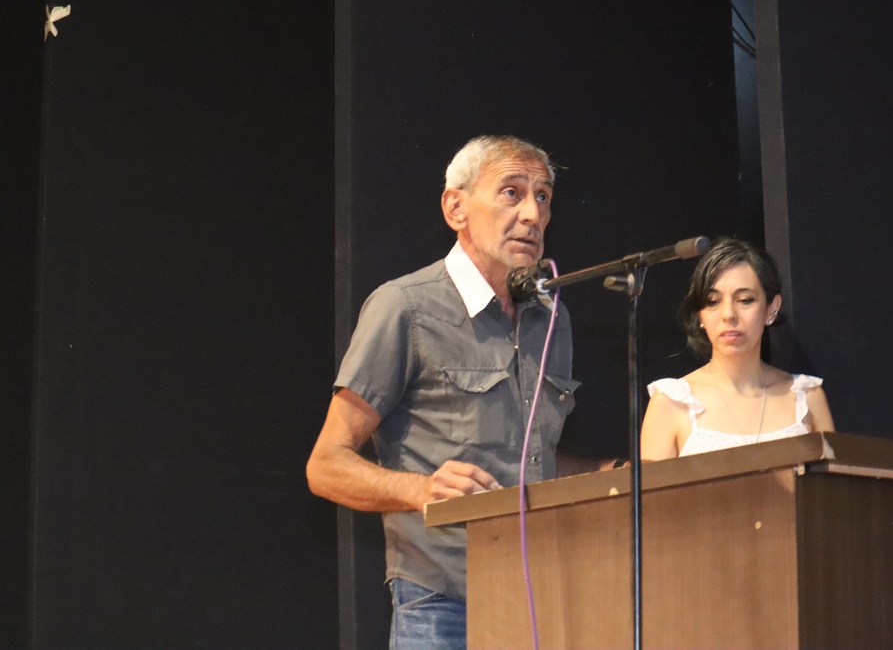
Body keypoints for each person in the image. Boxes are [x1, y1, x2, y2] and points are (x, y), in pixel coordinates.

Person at [306, 135, 606, 650]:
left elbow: (526, 456)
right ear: (455, 208)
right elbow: (325, 464)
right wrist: (420, 490)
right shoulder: (405, 307)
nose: (533, 214)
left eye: (543, 196)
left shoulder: (550, 317)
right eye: (512, 193)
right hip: (443, 601)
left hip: (539, 592)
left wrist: (611, 473)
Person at [641, 237, 834, 460]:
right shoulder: (671, 402)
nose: (728, 315)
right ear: (700, 315)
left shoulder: (807, 398)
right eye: (713, 302)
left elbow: (834, 481)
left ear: (772, 309)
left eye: (744, 300)